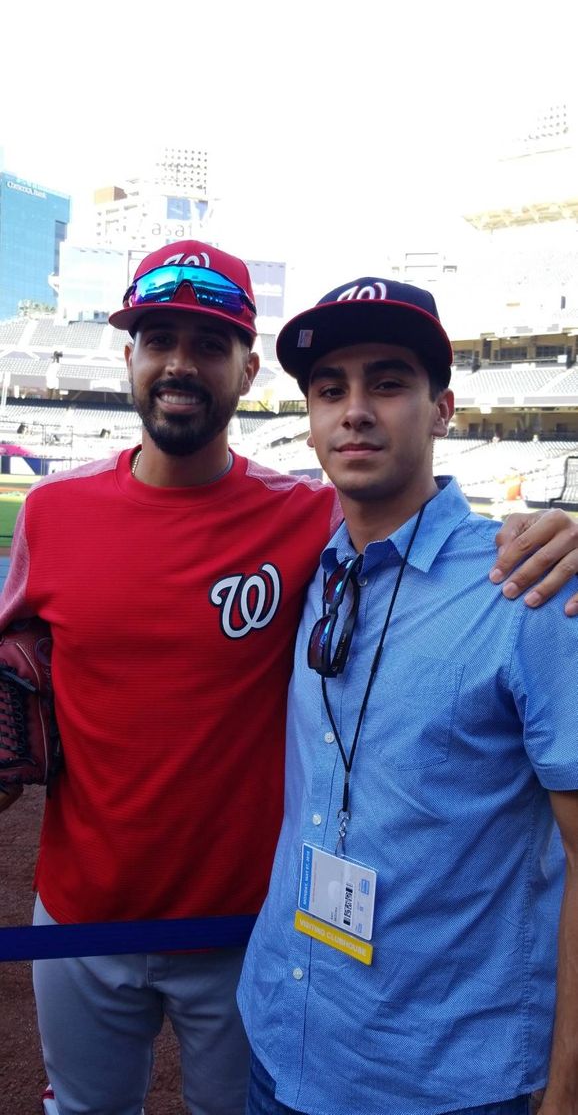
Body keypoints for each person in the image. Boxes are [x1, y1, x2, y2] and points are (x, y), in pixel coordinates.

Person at [0, 245, 577, 1115]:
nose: (180, 364)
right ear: (129, 356)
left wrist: (564, 534)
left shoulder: (319, 524)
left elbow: (428, 530)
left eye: (211, 342)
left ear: (248, 368)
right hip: (104, 919)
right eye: (158, 338)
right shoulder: (56, 515)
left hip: (245, 929)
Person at [237, 276, 578, 1115]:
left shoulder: (527, 590)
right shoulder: (312, 562)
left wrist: (567, 1089)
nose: (354, 411)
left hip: (443, 1080)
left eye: (387, 382)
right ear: (311, 421)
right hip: (282, 1038)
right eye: (330, 390)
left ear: (442, 408)